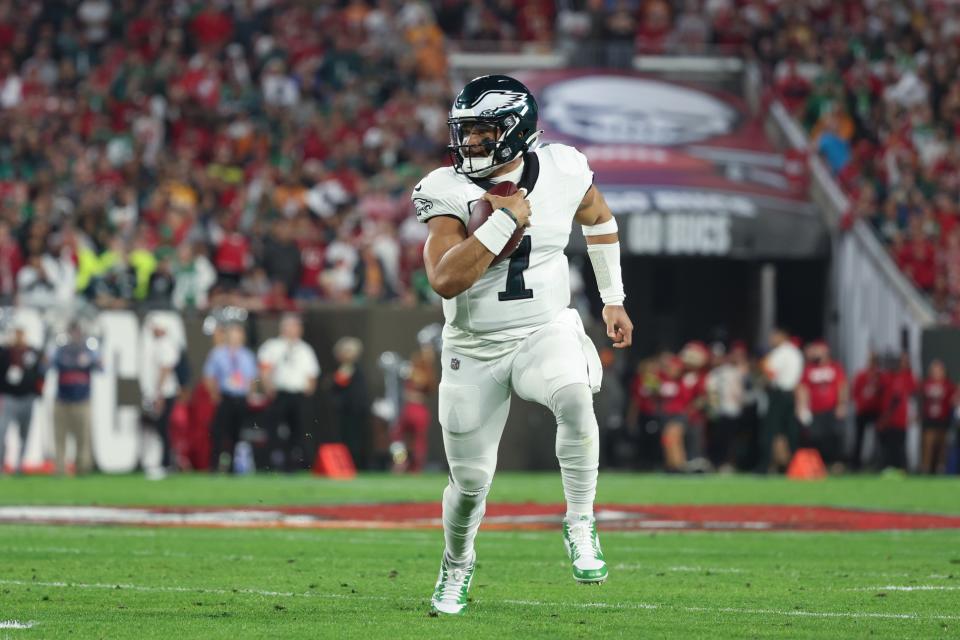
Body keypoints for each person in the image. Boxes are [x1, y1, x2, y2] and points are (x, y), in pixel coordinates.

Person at [413, 75, 633, 614]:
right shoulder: (448, 189)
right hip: (476, 344)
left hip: (544, 328)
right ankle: (456, 565)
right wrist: (502, 224)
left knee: (576, 397)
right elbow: (444, 279)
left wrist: (612, 298)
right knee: (469, 485)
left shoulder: (563, 169)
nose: (469, 145)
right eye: (465, 133)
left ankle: (581, 524)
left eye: (482, 133)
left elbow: (600, 221)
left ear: (515, 131)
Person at [257, 314, 320, 472]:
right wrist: (268, 388)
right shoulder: (272, 346)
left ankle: (294, 464)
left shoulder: (305, 349)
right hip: (279, 394)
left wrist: (309, 392)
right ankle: (272, 463)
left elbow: (312, 374)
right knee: (274, 430)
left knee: (299, 431)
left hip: (298, 395)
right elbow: (264, 369)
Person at [203, 321, 258, 472]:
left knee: (237, 434)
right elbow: (209, 376)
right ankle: (214, 466)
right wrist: (214, 394)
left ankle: (234, 467)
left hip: (240, 398)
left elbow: (252, 378)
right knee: (219, 433)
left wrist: (250, 394)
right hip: (225, 397)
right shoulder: (218, 353)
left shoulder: (247, 355)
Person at [51, 321, 100, 475]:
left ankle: (83, 467)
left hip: (82, 399)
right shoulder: (61, 349)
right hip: (63, 399)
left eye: (77, 331)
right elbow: (49, 364)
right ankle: (60, 468)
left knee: (83, 436)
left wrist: (94, 358)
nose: (74, 334)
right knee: (60, 436)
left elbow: (101, 367)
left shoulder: (89, 349)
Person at [138, 314, 181, 478]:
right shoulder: (158, 344)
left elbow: (165, 369)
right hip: (159, 393)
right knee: (159, 430)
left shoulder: (165, 345)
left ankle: (165, 464)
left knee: (162, 429)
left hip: (164, 393)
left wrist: (159, 394)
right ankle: (161, 462)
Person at [0, 321, 45, 474]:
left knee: (24, 434)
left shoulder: (32, 352)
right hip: (10, 397)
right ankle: (1, 464)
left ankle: (19, 466)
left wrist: (38, 393)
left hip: (27, 397)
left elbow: (40, 372)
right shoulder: (6, 352)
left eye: (21, 333)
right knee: (2, 431)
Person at [795, 341, 848, 470]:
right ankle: (818, 464)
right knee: (815, 437)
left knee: (833, 436)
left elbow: (842, 386)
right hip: (815, 410)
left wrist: (842, 404)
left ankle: (835, 463)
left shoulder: (835, 367)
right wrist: (801, 407)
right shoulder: (809, 369)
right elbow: (802, 388)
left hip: (831, 409)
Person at [760, 329, 804, 473]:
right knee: (791, 431)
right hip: (791, 394)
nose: (771, 339)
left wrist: (763, 371)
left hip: (778, 394)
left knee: (770, 430)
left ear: (782, 336)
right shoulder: (796, 353)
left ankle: (765, 465)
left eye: (774, 336)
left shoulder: (779, 353)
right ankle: (794, 465)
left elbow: (770, 372)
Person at [390, 340, 437, 473]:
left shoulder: (416, 372)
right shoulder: (428, 373)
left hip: (411, 408)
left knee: (399, 435)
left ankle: (401, 462)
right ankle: (415, 466)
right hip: (420, 410)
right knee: (418, 439)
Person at [330, 336, 368, 469]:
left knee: (357, 439)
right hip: (345, 411)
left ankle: (357, 464)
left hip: (358, 410)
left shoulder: (357, 370)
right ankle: (345, 464)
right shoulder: (342, 369)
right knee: (345, 438)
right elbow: (335, 386)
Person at [877, 353, 916, 471]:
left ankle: (902, 468)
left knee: (900, 446)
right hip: (887, 418)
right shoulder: (886, 376)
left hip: (900, 418)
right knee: (887, 446)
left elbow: (913, 389)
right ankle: (887, 467)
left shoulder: (906, 376)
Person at [920, 359, 954, 474]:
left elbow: (953, 400)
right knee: (928, 444)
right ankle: (926, 468)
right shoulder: (926, 384)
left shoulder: (948, 385)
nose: (937, 372)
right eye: (935, 370)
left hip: (943, 419)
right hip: (929, 419)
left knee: (942, 445)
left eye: (939, 370)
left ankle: (940, 468)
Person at [851, 353, 884, 471]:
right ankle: (856, 463)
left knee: (879, 439)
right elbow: (855, 392)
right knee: (859, 438)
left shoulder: (881, 376)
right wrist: (859, 404)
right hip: (863, 410)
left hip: (876, 411)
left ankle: (877, 463)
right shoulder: (862, 375)